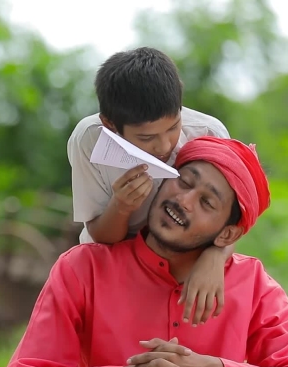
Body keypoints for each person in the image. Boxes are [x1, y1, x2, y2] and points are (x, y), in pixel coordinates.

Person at [1, 136, 288, 367]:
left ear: (226, 235)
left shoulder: (254, 283)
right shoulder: (84, 267)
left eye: (206, 202)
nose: (183, 200)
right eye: (184, 181)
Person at [68, 46, 232, 326]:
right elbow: (99, 235)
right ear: (110, 124)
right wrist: (121, 206)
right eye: (146, 138)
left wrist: (215, 256)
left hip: (182, 269)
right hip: (113, 267)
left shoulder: (208, 134)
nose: (164, 145)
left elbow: (233, 214)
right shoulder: (90, 140)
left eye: (173, 127)